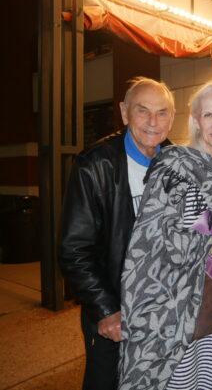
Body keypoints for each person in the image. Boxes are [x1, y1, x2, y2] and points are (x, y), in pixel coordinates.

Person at [119, 79, 212, 390]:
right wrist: (211, 242)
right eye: (209, 115)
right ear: (196, 120)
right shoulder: (174, 165)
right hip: (176, 310)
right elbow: (153, 235)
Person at [59, 77, 175, 390]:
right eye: (143, 111)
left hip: (163, 310)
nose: (153, 122)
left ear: (172, 118)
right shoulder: (94, 165)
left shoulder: (178, 164)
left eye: (162, 113)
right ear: (124, 113)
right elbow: (74, 249)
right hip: (114, 309)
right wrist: (106, 309)